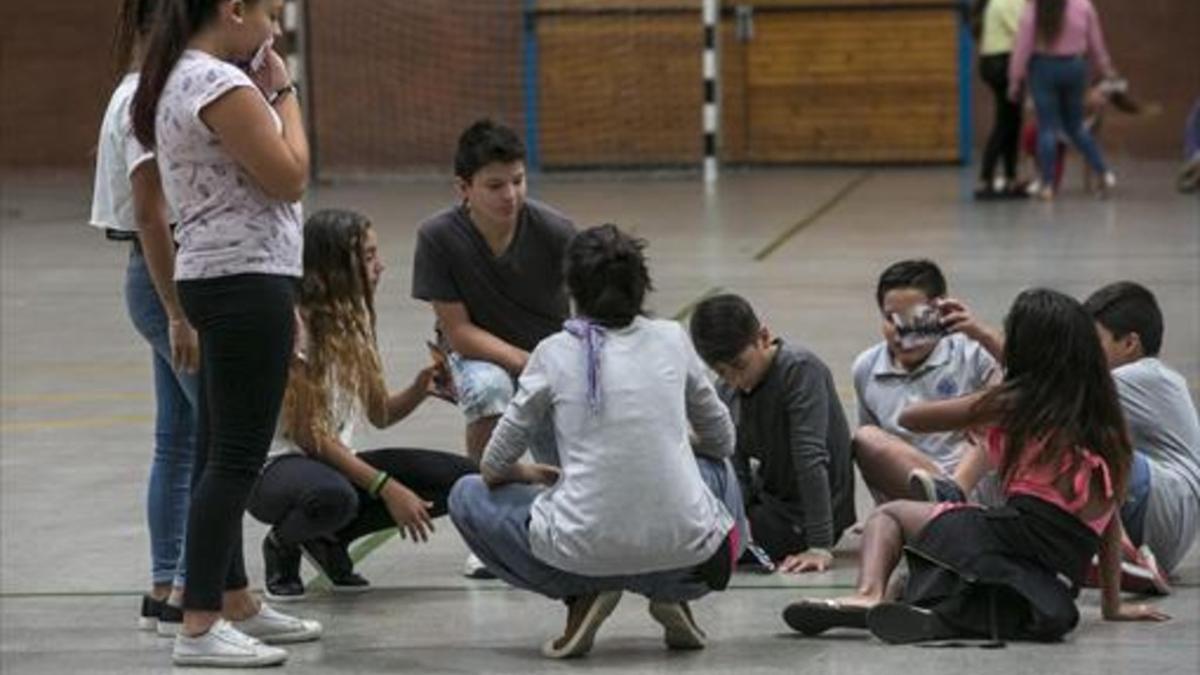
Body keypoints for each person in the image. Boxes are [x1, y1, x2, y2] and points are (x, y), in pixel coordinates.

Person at [783, 288, 1169, 644]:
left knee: (890, 516)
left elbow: (913, 417)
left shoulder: (1014, 400)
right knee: (956, 575)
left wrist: (980, 406)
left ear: (1024, 349)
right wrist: (1112, 607)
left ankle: (868, 595)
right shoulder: (1105, 414)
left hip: (1013, 534)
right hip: (1056, 569)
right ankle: (942, 613)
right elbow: (1111, 514)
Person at [448, 224, 746, 659]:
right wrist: (672, 445)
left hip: (580, 547)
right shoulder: (671, 339)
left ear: (572, 291)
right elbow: (723, 440)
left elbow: (492, 465)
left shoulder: (552, 352)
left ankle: (581, 593)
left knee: (466, 494)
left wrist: (529, 473)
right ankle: (673, 589)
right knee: (719, 469)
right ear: (642, 287)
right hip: (682, 547)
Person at [131, 0, 319, 666]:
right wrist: (286, 93)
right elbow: (290, 176)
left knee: (216, 447)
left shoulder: (179, 75)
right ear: (234, 10)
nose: (274, 26)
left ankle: (232, 597)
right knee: (236, 458)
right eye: (269, 11)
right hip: (244, 280)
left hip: (216, 275)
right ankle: (201, 620)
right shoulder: (221, 83)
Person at [247, 209, 476, 600]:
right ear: (333, 266)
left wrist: (422, 386)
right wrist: (387, 486)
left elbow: (380, 413)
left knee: (463, 480)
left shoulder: (352, 319)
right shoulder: (292, 324)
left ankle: (329, 538)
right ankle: (283, 544)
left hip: (331, 463)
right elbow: (310, 435)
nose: (381, 265)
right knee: (335, 495)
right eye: (368, 256)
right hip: (276, 467)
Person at [411, 118, 575, 577]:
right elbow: (459, 332)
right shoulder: (437, 237)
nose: (511, 196)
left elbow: (586, 312)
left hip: (549, 352)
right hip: (477, 357)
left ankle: (564, 526)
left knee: (563, 465)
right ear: (464, 187)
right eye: (495, 185)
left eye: (518, 182)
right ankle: (485, 529)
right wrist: (527, 363)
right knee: (488, 391)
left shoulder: (557, 231)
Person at [90, 0, 200, 632]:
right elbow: (152, 215)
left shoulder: (134, 91)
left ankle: (166, 583)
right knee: (212, 438)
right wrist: (177, 312)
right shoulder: (145, 99)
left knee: (178, 440)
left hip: (155, 277)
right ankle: (189, 586)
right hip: (166, 279)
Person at [689, 294, 855, 573]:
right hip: (769, 499)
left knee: (697, 543)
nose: (735, 380)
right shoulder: (727, 390)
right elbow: (735, 471)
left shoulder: (799, 370)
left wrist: (820, 546)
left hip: (808, 513)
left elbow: (810, 458)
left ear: (763, 337)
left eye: (740, 366)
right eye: (722, 372)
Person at [851, 260, 1003, 504]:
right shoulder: (866, 367)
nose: (902, 331)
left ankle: (955, 495)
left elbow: (1035, 379)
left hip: (976, 491)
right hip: (916, 493)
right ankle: (937, 503)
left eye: (913, 318)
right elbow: (875, 463)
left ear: (939, 311)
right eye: (892, 319)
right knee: (866, 437)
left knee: (998, 403)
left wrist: (981, 333)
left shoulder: (973, 352)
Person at [1085, 282, 1200, 579]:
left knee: (1074, 435)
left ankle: (1119, 548)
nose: (1084, 354)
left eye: (1093, 342)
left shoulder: (1136, 377)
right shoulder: (1156, 377)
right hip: (1165, 520)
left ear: (1129, 344)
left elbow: (1042, 392)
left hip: (1161, 503)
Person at [1008, 0, 1118, 199]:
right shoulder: (1083, 5)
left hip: (1043, 68)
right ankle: (1104, 172)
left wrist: (1015, 80)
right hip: (1075, 67)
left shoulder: (1034, 7)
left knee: (1047, 128)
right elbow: (1096, 42)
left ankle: (1048, 185)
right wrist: (1105, 68)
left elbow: (1022, 46)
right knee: (1076, 127)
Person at [975, 0, 1026, 198]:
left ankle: (1009, 177)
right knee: (1006, 123)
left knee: (1012, 121)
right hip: (1001, 63)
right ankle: (987, 178)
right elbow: (1021, 35)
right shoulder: (1006, 3)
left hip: (993, 63)